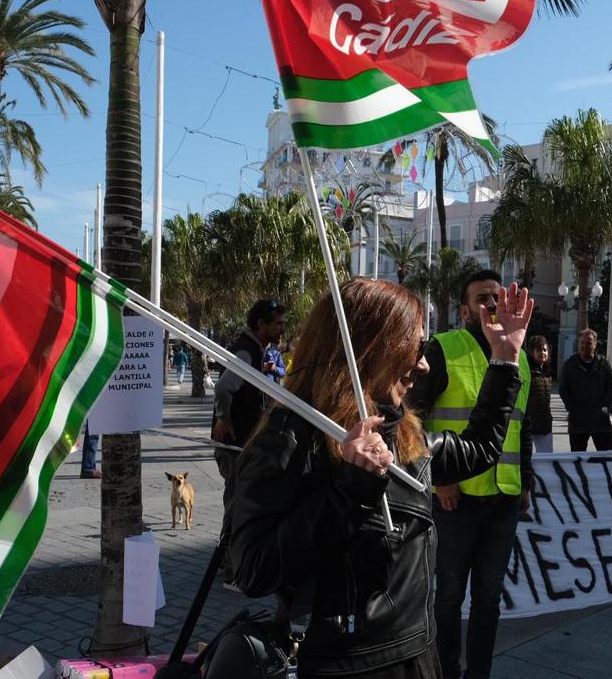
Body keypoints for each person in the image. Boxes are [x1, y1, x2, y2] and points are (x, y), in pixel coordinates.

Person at [228, 278, 533, 677]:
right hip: (345, 665)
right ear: (371, 349)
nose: (423, 365)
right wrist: (348, 490)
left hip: (417, 655)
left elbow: (479, 450)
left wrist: (505, 359)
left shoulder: (404, 432)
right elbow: (252, 569)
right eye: (417, 348)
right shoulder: (289, 438)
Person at [407, 270, 533, 679]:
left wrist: (525, 482)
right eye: (483, 298)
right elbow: (413, 419)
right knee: (448, 597)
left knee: (488, 598)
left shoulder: (519, 355)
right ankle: (446, 673)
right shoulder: (443, 348)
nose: (493, 304)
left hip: (504, 498)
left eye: (497, 296)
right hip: (454, 499)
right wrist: (439, 478)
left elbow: (521, 425)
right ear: (463, 310)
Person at [212, 299, 287, 588]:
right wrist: (223, 419)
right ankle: (230, 568)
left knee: (240, 501)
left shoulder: (258, 349)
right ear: (261, 325)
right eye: (277, 323)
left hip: (244, 442)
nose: (282, 329)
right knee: (236, 503)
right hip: (233, 444)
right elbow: (223, 388)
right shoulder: (246, 350)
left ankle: (228, 563)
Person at [558, 329, 612, 452]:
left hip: (600, 421)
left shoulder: (603, 364)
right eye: (582, 342)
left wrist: (604, 407)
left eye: (589, 343)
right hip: (578, 422)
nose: (585, 346)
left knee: (609, 456)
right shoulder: (570, 364)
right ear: (578, 344)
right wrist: (573, 408)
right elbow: (564, 390)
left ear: (595, 344)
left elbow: (611, 387)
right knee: (577, 459)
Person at [525, 335, 555, 454]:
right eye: (538, 350)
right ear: (532, 352)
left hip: (545, 424)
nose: (542, 353)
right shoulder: (526, 371)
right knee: (527, 459)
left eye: (544, 350)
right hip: (528, 424)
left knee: (547, 458)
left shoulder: (547, 373)